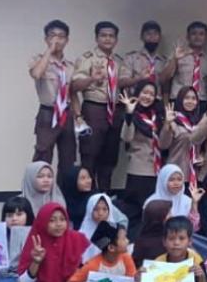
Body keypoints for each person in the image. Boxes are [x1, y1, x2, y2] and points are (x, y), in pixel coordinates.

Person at [72, 21, 130, 191]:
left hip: (115, 111)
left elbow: (124, 82)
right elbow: (74, 87)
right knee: (90, 155)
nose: (107, 39)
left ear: (116, 40)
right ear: (96, 38)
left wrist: (140, 78)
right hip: (94, 109)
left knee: (110, 157)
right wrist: (92, 79)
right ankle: (87, 196)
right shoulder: (87, 58)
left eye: (111, 36)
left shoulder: (118, 61)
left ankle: (104, 196)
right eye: (103, 35)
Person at [123, 216, 207, 282]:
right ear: (164, 242)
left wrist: (201, 276)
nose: (176, 243)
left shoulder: (196, 261)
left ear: (189, 241)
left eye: (181, 238)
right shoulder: (158, 263)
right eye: (171, 238)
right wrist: (141, 280)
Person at [28, 19, 77, 180]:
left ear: (67, 40)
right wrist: (49, 51)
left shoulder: (70, 66)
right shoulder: (39, 59)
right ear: (46, 39)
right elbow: (36, 74)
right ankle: (38, 193)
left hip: (66, 114)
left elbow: (72, 92)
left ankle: (64, 193)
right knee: (42, 156)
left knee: (68, 158)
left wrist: (78, 116)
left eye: (61, 36)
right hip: (48, 113)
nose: (57, 40)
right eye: (52, 36)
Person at [67, 221, 136, 282]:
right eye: (124, 238)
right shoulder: (92, 266)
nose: (128, 241)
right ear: (111, 248)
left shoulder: (126, 258)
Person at [119, 80, 165, 213]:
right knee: (135, 210)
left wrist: (167, 124)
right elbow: (126, 137)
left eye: (151, 94)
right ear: (138, 93)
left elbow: (165, 142)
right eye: (144, 92)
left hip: (157, 169)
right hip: (138, 169)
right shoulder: (134, 114)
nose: (147, 97)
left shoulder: (159, 115)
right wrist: (129, 115)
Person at [160, 86, 207, 190]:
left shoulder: (200, 121)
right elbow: (163, 145)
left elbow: (202, 145)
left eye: (193, 98)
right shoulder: (173, 120)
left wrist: (202, 156)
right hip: (175, 174)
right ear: (180, 100)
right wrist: (167, 124)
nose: (190, 101)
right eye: (186, 98)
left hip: (194, 175)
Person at [162, 21, 207, 109]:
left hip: (201, 101)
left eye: (201, 34)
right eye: (194, 34)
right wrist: (175, 59)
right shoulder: (178, 55)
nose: (197, 37)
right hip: (179, 99)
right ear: (188, 37)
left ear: (206, 37)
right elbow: (164, 78)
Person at [143, 164, 202, 230]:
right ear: (163, 180)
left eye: (179, 179)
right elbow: (148, 228)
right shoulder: (151, 202)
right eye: (171, 180)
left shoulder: (187, 201)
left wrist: (194, 204)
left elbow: (194, 228)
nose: (176, 183)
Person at [78, 193, 128, 263]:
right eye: (96, 209)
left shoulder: (115, 233)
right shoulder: (81, 234)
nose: (100, 213)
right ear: (90, 210)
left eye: (105, 209)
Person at [123, 20, 168, 96]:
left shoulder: (164, 61)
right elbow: (122, 82)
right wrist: (139, 78)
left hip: (157, 100)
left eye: (155, 34)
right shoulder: (131, 58)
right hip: (136, 99)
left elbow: (166, 86)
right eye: (148, 34)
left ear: (159, 37)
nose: (152, 37)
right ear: (141, 37)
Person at [132, 200, 172, 268]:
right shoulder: (142, 241)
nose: (172, 215)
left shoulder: (171, 234)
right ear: (159, 218)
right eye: (169, 213)